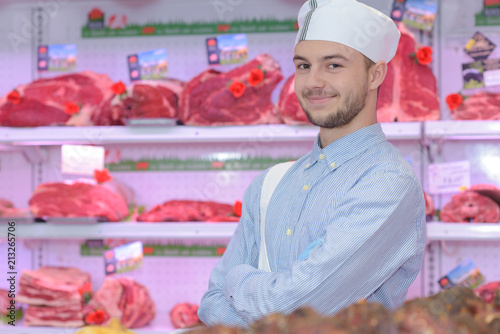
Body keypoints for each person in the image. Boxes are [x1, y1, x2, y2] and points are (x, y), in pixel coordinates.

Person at [198, 0, 426, 328]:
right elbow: (210, 306)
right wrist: (268, 302)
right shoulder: (270, 183)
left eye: (333, 65)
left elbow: (297, 309)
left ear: (375, 74)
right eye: (304, 66)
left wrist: (238, 280)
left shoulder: (387, 182)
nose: (313, 82)